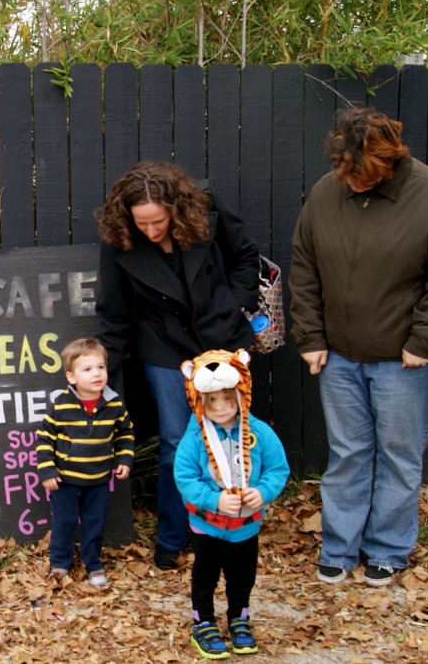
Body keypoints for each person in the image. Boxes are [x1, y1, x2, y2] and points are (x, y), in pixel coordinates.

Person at [290, 107, 428, 587]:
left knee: (398, 454)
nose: (349, 180)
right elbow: (304, 266)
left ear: (387, 162)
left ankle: (389, 548)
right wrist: (309, 336)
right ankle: (339, 546)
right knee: (348, 453)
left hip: (405, 359)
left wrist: (426, 340)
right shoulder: (326, 192)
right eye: (342, 170)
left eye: (359, 173)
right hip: (338, 355)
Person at [95, 161, 262, 570]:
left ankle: (232, 525)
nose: (151, 231)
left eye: (158, 221)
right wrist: (103, 379)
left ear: (175, 208)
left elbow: (245, 257)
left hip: (220, 339)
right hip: (164, 347)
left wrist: (234, 305)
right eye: (142, 224)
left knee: (232, 433)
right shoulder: (119, 239)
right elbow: (113, 313)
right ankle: (172, 537)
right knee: (175, 444)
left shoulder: (205, 208)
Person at [175, 348, 289, 659]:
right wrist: (213, 499)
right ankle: (204, 622)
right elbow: (184, 478)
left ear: (242, 394)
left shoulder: (260, 433)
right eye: (213, 401)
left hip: (245, 527)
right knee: (205, 576)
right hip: (207, 526)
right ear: (201, 402)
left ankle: (240, 618)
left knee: (242, 577)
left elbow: (278, 469)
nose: (222, 408)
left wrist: (263, 493)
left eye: (228, 399)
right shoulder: (195, 438)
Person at [36, 337, 135, 586]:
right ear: (72, 377)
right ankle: (60, 564)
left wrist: (124, 458)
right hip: (65, 480)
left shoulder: (114, 404)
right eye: (88, 369)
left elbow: (125, 433)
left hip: (99, 480)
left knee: (95, 524)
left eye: (100, 367)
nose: (97, 374)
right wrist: (47, 470)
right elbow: (45, 439)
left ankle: (93, 564)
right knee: (64, 523)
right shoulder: (60, 405)